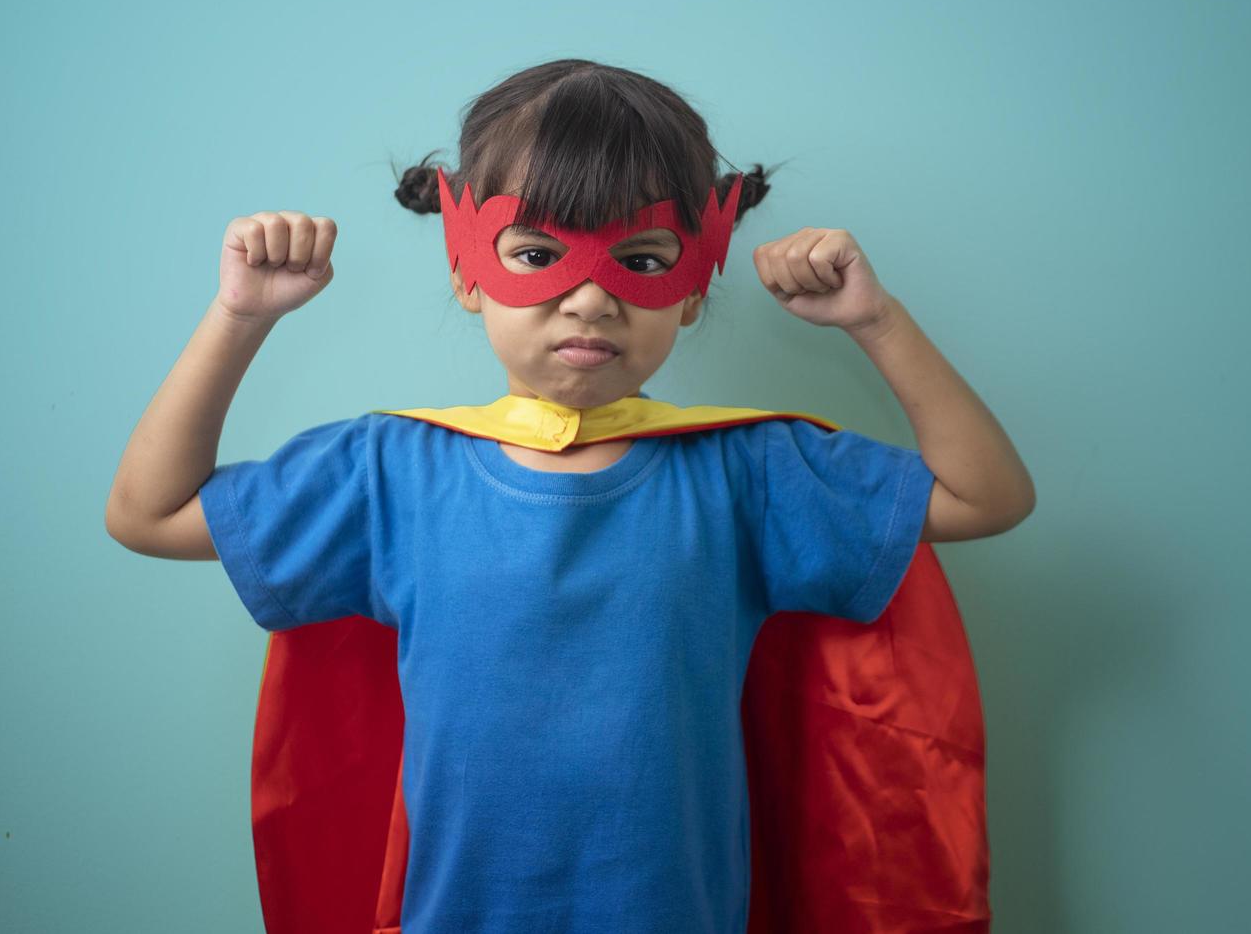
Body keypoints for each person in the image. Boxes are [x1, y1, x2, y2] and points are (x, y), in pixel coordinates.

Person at [104, 58, 1034, 932]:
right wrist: (239, 317)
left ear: (697, 286)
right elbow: (148, 516)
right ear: (468, 271)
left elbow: (987, 498)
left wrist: (874, 320)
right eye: (538, 252)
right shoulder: (388, 472)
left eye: (640, 261)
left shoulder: (748, 471)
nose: (589, 299)